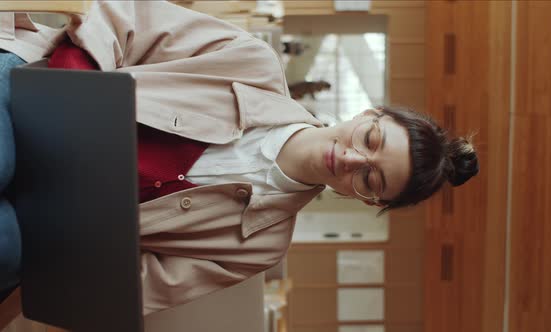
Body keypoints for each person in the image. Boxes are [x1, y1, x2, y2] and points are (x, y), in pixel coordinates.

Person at [0, 1, 479, 316]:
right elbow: (122, 16)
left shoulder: (262, 246)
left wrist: (70, 249)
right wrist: (72, 92)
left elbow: (131, 287)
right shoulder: (251, 62)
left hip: (43, 222)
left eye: (371, 180)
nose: (354, 159)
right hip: (37, 97)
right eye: (371, 139)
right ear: (369, 113)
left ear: (368, 201)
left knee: (5, 246)